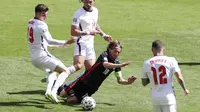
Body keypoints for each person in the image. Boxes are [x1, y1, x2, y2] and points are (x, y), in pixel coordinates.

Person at [57, 40, 137, 104]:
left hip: (92, 88)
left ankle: (73, 95)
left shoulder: (117, 63)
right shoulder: (104, 55)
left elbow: (120, 80)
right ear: (110, 49)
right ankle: (56, 82)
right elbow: (106, 65)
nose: (117, 54)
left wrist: (128, 82)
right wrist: (121, 65)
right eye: (116, 51)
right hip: (83, 81)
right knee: (62, 94)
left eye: (119, 52)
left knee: (70, 101)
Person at [27, 4, 75, 103]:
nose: (45, 16)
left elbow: (38, 40)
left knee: (53, 72)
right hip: (42, 56)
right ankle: (53, 92)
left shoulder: (30, 22)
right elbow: (49, 40)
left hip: (34, 58)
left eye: (46, 14)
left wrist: (59, 46)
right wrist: (66, 42)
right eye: (43, 14)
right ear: (37, 13)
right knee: (65, 71)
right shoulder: (42, 25)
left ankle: (48, 91)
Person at [67, 0, 112, 77]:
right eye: (86, 2)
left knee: (91, 70)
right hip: (80, 42)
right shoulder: (78, 14)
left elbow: (94, 24)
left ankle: (69, 86)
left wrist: (103, 35)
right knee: (78, 65)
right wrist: (88, 32)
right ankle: (56, 75)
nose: (88, 4)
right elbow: (73, 32)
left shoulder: (95, 11)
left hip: (90, 44)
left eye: (90, 2)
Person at [141, 40, 189, 112]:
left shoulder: (147, 63)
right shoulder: (171, 60)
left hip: (155, 98)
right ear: (163, 49)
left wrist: (152, 77)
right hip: (168, 98)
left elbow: (144, 82)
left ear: (152, 49)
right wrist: (184, 89)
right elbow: (179, 77)